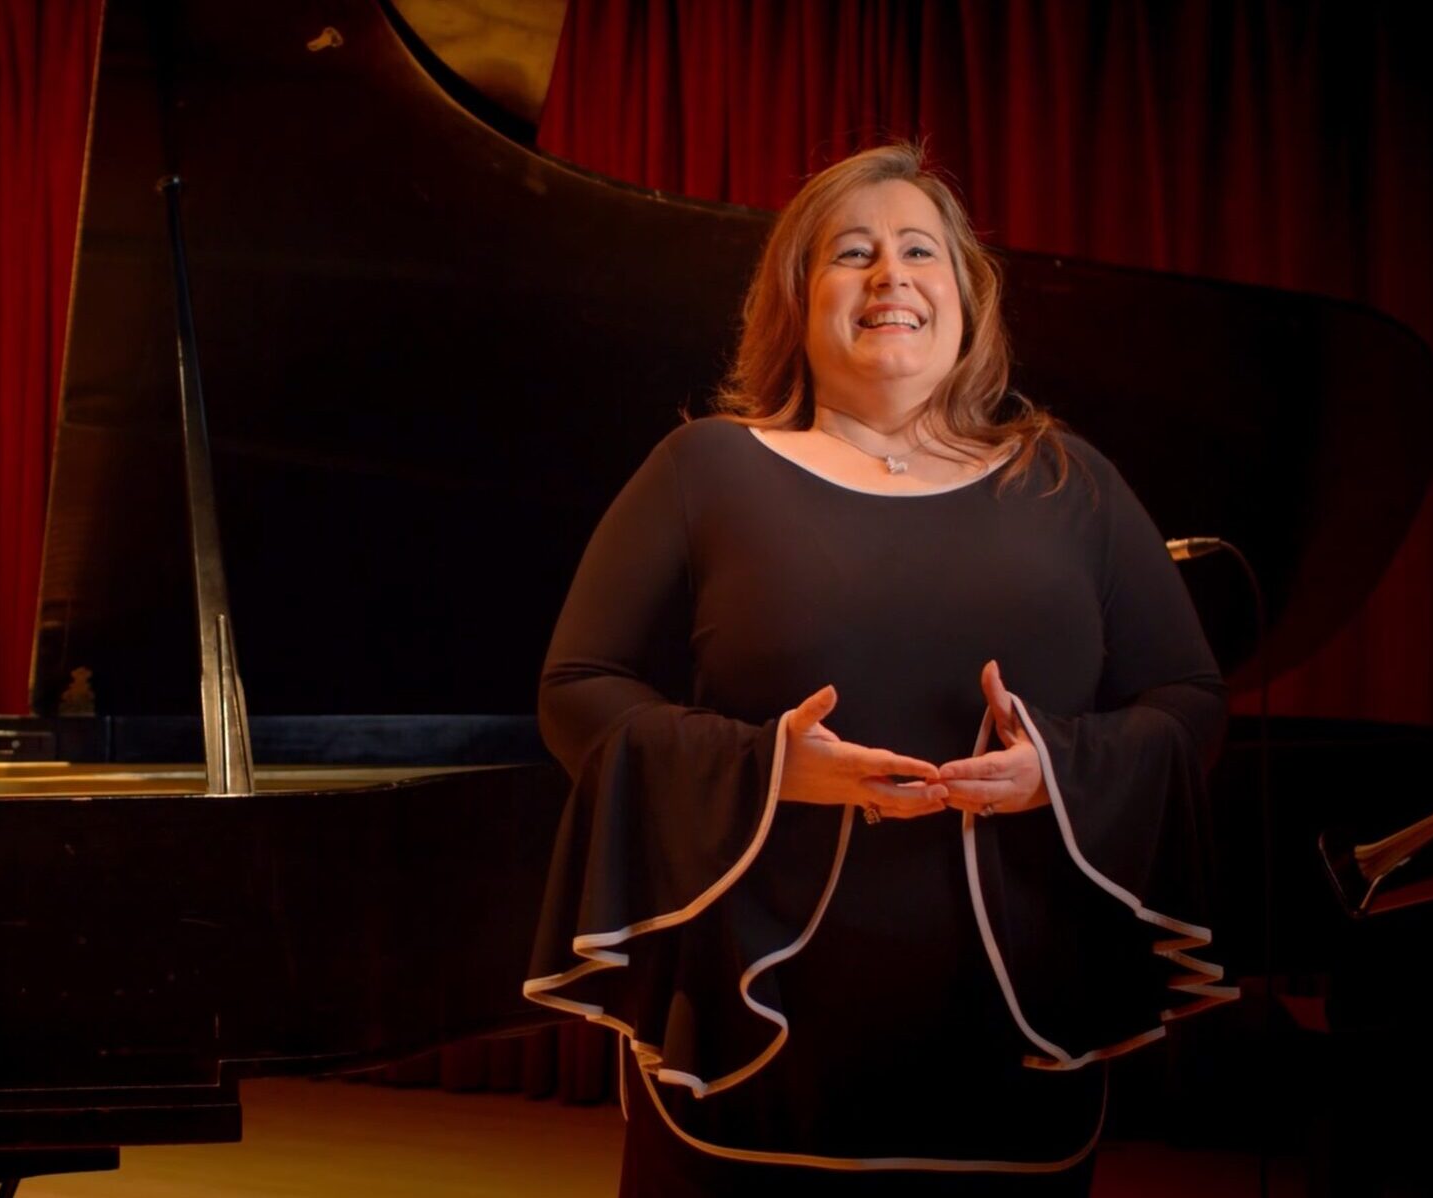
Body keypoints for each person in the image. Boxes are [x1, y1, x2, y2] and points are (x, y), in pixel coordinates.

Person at [523, 144, 1236, 1194]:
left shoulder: (1070, 481)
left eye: (919, 251)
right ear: (796, 298)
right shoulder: (704, 468)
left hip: (1013, 1028)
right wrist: (767, 767)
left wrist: (1056, 772)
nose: (889, 274)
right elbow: (578, 686)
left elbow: (1190, 701)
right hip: (754, 1020)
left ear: (966, 296)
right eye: (851, 253)